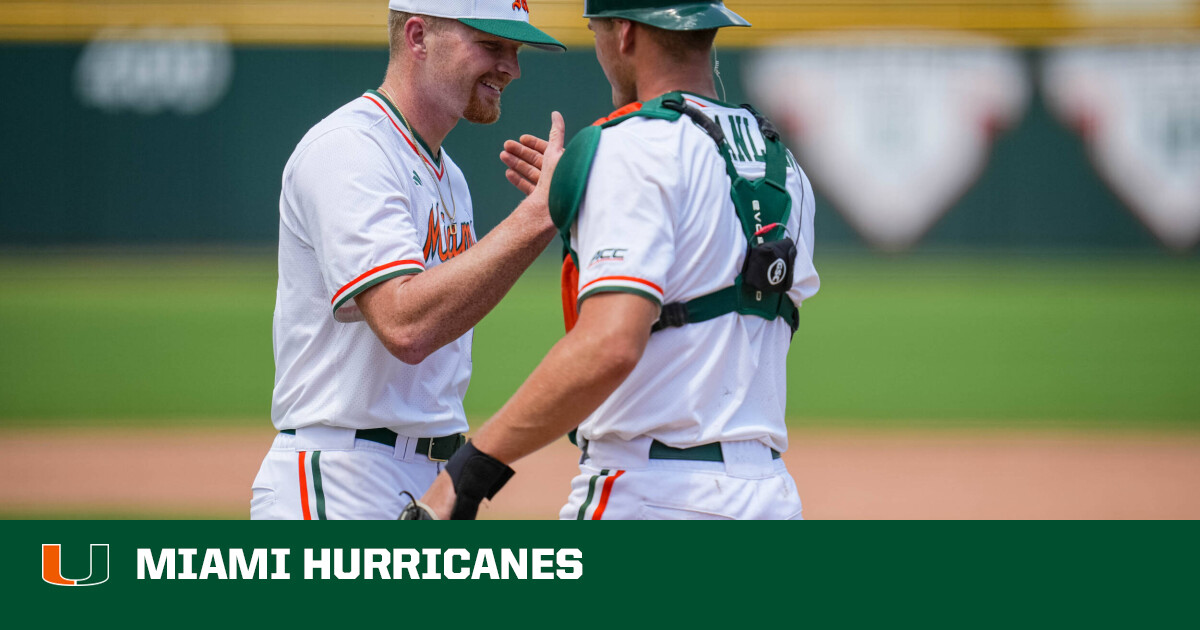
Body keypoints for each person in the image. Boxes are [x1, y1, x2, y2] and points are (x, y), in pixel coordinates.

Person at [417, 0, 820, 520]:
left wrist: (469, 470)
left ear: (625, 33)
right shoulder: (784, 166)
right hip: (768, 496)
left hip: (651, 497)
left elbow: (610, 344)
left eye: (597, 31)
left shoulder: (630, 147)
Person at [251, 0, 566, 520]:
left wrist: (548, 220)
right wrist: (536, 218)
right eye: (490, 44)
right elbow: (405, 325)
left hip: (425, 476)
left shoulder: (449, 176)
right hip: (346, 475)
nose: (510, 66)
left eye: (515, 49)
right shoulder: (351, 149)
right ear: (418, 36)